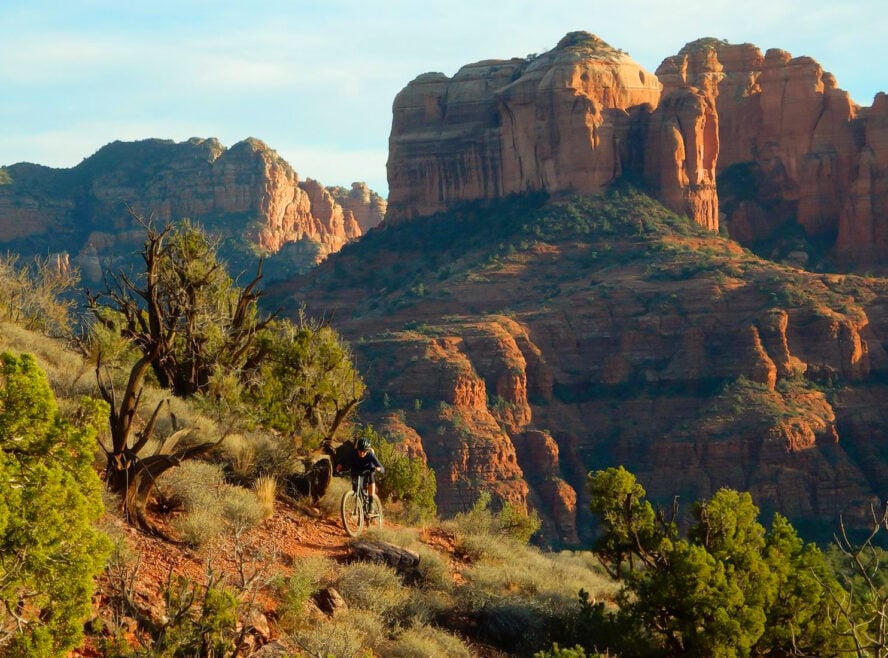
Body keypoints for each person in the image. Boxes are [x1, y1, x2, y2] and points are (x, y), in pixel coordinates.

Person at [335, 436, 384, 505]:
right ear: (357, 449)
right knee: (355, 489)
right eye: (360, 450)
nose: (362, 453)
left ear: (367, 450)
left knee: (371, 476)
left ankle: (371, 502)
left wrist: (379, 469)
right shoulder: (353, 453)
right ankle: (359, 505)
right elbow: (342, 462)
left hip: (368, 470)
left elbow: (381, 467)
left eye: (364, 451)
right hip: (357, 469)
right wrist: (337, 470)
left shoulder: (370, 454)